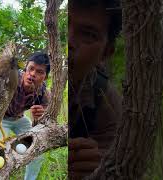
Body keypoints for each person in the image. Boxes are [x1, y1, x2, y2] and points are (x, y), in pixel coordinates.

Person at [0, 52, 51, 180]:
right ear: (25, 68)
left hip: (20, 119)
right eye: (31, 68)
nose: (33, 74)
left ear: (45, 77)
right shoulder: (9, 77)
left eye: (40, 72)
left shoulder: (43, 92)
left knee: (37, 153)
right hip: (0, 119)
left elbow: (47, 112)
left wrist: (41, 113)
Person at [68, 0, 122, 179]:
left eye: (88, 34)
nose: (68, 41)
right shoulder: (30, 79)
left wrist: (93, 171)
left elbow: (112, 166)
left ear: (106, 52)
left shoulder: (106, 103)